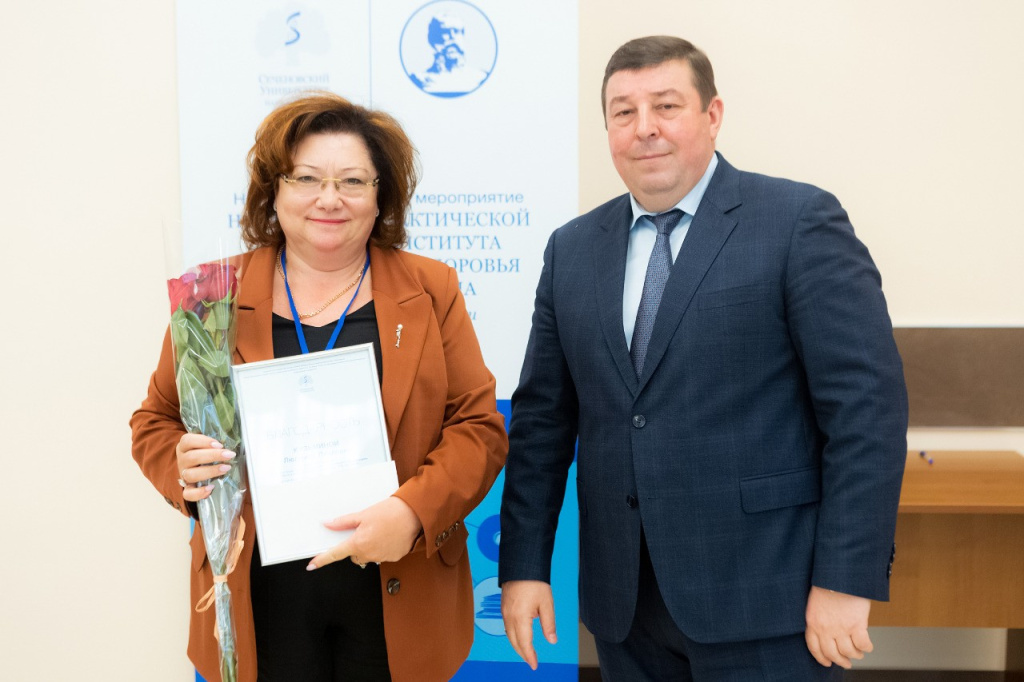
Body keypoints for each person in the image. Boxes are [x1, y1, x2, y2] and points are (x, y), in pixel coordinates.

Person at [498, 36, 907, 681]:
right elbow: (542, 422)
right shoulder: (571, 249)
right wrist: (524, 567)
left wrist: (845, 579)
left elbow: (866, 413)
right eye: (624, 112)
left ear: (712, 115)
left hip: (769, 598)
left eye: (666, 106)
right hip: (625, 606)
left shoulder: (797, 222)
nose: (645, 128)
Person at [131, 92, 508, 682]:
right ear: (273, 191)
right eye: (306, 178)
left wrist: (412, 514)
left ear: (380, 195)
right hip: (260, 598)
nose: (329, 198)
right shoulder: (211, 296)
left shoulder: (431, 288)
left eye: (352, 181)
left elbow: (478, 428)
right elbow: (155, 421)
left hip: (396, 586)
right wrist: (180, 464)